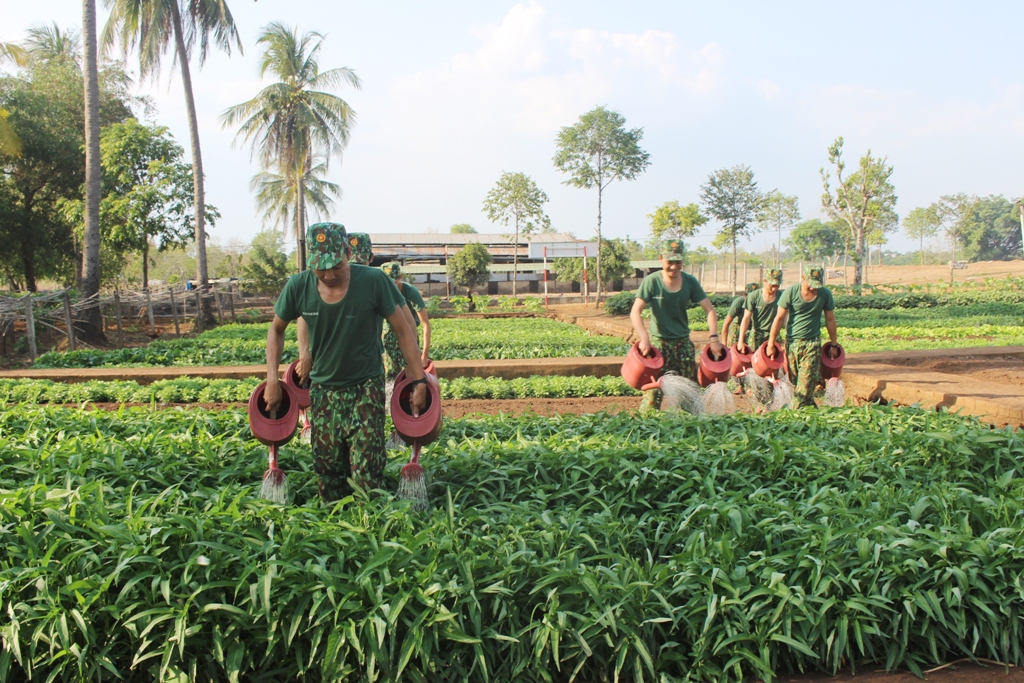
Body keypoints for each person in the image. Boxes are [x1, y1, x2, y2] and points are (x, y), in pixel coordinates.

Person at [265, 223, 427, 502]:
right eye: (320, 267)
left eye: (335, 266)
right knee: (329, 476)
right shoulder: (298, 286)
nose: (328, 274)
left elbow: (403, 330)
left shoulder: (373, 281)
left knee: (367, 476)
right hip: (324, 392)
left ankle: (371, 531)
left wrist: (419, 379)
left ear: (347, 253)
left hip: (365, 388)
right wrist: (272, 380)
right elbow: (276, 330)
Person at [630, 239, 724, 411]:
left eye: (678, 262)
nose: (674, 267)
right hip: (658, 346)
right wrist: (644, 338)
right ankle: (646, 428)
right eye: (669, 262)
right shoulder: (652, 282)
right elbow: (635, 311)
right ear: (660, 259)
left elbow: (709, 310)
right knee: (652, 394)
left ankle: (693, 430)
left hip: (683, 345)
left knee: (690, 394)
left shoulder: (690, 281)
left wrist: (714, 338)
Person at [766, 265, 839, 408]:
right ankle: (812, 413)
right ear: (802, 278)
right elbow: (779, 318)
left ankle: (792, 415)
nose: (813, 288)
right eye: (810, 285)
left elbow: (830, 319)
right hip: (792, 344)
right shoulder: (791, 292)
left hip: (812, 343)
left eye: (816, 285)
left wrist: (834, 344)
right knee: (796, 383)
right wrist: (771, 343)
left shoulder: (825, 294)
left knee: (804, 386)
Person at [382, 262, 431, 368]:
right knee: (390, 375)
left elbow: (425, 324)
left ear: (400, 277)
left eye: (393, 282)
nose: (390, 287)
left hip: (409, 334)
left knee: (410, 372)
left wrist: (424, 356)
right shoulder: (381, 291)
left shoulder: (410, 292)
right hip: (388, 337)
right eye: (387, 283)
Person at [737, 269, 783, 354]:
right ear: (765, 281)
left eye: (777, 285)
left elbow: (785, 318)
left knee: (773, 363)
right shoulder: (753, 296)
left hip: (774, 336)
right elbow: (746, 319)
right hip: (757, 335)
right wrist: (741, 341)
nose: (774, 289)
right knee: (755, 362)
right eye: (772, 285)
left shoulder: (782, 297)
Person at [722, 282, 759, 348]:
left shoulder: (759, 303)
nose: (753, 299)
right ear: (745, 295)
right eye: (750, 296)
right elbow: (726, 323)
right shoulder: (738, 302)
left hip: (750, 328)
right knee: (733, 350)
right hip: (737, 327)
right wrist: (724, 343)